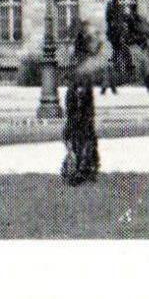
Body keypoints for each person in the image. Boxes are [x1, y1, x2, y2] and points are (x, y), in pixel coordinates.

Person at [61, 18, 109, 186]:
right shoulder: (82, 57)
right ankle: (84, 167)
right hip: (79, 94)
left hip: (79, 93)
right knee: (82, 130)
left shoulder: (79, 57)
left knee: (80, 130)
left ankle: (84, 166)